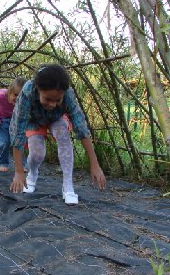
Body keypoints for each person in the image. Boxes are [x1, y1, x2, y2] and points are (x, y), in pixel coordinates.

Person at [9, 64, 106, 205]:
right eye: (48, 99)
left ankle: (68, 185)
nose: (53, 104)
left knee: (62, 134)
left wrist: (95, 164)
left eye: (57, 100)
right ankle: (33, 173)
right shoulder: (27, 93)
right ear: (38, 89)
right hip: (34, 120)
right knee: (37, 154)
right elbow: (17, 131)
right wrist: (18, 171)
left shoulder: (68, 94)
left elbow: (81, 127)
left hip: (57, 118)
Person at [0, 77, 27, 171]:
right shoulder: (0, 95)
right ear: (9, 91)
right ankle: (3, 163)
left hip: (15, 121)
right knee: (3, 143)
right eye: (15, 95)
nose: (17, 99)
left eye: (20, 96)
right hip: (1, 122)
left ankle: (22, 164)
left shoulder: (23, 102)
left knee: (19, 143)